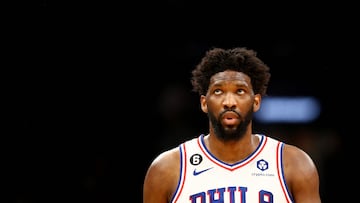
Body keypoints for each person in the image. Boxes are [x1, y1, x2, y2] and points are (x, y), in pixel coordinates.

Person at [143, 47, 321, 203]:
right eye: (218, 91)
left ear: (256, 101)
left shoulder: (294, 164)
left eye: (240, 91)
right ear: (204, 103)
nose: (229, 102)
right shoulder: (167, 168)